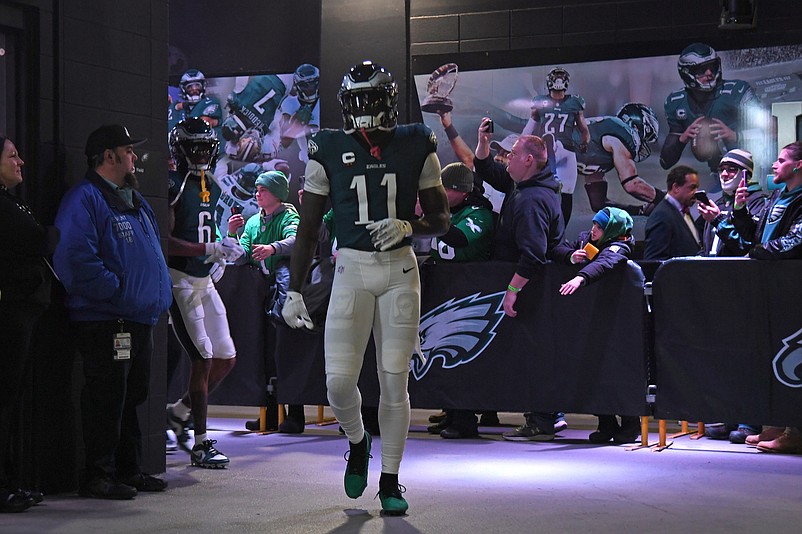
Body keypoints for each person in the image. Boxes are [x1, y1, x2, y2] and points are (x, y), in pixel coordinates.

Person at [281, 60, 450, 516]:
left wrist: (408, 225)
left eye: (371, 100)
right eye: (357, 102)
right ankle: (357, 442)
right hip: (351, 270)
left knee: (393, 382)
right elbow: (309, 227)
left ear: (389, 102)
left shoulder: (417, 142)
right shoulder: (328, 146)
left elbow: (441, 218)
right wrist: (293, 289)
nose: (365, 111)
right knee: (338, 383)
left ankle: (391, 480)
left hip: (399, 271)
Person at [53, 125, 172, 499]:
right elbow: (74, 259)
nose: (134, 157)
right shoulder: (84, 199)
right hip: (106, 321)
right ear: (109, 156)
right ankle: (98, 476)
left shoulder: (133, 200)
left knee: (131, 397)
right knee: (105, 398)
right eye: (128, 150)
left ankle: (128, 470)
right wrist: (117, 293)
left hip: (137, 319)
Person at [473, 120, 565, 441]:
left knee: (531, 354)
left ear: (529, 160)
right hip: (532, 288)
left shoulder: (530, 200)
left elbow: (533, 254)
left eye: (512, 154)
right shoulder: (523, 185)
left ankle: (540, 420)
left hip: (529, 291)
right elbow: (486, 168)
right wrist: (483, 142)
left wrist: (512, 289)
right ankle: (549, 414)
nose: (506, 158)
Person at [165, 117, 245, 469]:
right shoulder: (172, 184)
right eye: (193, 147)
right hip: (180, 279)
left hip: (204, 279)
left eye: (205, 146)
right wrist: (208, 249)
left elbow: (207, 228)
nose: (200, 153)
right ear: (180, 149)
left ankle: (178, 412)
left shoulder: (209, 181)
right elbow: (166, 242)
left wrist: (226, 248)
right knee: (203, 358)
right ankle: (200, 443)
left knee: (226, 358)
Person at [731, 141, 802, 454]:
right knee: (773, 355)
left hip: (793, 287)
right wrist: (739, 210)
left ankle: (795, 429)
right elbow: (756, 236)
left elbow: (795, 240)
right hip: (771, 288)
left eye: (781, 160)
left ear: (798, 165)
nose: (774, 165)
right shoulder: (777, 196)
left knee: (793, 357)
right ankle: (777, 420)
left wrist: (758, 253)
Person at [0, 135, 59, 512]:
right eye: (12, 155)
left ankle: (11, 481)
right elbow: (40, 240)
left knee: (12, 402)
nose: (20, 161)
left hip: (24, 311)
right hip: (11, 314)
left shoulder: (13, 202)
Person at [552, 207, 641, 443]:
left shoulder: (621, 246)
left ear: (612, 230)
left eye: (600, 227)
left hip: (619, 322)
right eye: (594, 224)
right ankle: (606, 424)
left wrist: (580, 277)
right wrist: (572, 256)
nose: (593, 230)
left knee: (619, 372)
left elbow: (604, 262)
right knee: (594, 370)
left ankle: (631, 425)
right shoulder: (586, 240)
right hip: (592, 320)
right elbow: (559, 247)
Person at [696, 149, 767, 443]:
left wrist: (719, 221)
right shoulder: (719, 203)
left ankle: (750, 418)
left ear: (746, 174)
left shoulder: (759, 203)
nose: (724, 173)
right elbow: (710, 249)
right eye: (722, 168)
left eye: (731, 168)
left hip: (744, 292)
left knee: (748, 359)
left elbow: (745, 247)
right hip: (718, 292)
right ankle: (728, 412)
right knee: (723, 358)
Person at [227, 170, 305, 434]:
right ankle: (270, 415)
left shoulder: (289, 215)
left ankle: (295, 414)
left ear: (278, 193)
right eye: (257, 189)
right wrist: (231, 235)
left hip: (284, 296)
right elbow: (242, 255)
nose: (257, 193)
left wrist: (273, 249)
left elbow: (297, 241)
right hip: (260, 295)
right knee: (265, 356)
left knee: (287, 351)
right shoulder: (251, 222)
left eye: (264, 190)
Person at [423, 162, 494, 439]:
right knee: (443, 356)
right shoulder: (453, 211)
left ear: (461, 191)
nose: (440, 192)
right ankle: (451, 411)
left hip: (469, 292)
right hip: (447, 291)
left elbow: (461, 239)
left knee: (462, 356)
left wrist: (432, 217)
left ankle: (465, 419)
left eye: (445, 188)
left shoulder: (480, 213)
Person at [660, 43, 759, 177]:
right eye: (701, 69)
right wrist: (682, 139)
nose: (709, 73)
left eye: (712, 66)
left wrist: (736, 136)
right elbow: (665, 162)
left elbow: (774, 131)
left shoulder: (737, 91)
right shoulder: (676, 102)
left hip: (753, 171)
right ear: (687, 73)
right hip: (719, 176)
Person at [521, 67, 590, 225]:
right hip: (549, 152)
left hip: (565, 151)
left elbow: (583, 129)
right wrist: (523, 141)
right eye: (556, 77)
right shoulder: (541, 101)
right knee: (549, 191)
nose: (558, 80)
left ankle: (560, 231)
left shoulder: (574, 102)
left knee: (566, 192)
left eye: (560, 77)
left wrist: (584, 142)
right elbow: (532, 125)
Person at [579, 103, 665, 216]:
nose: (643, 143)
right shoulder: (622, 132)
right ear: (635, 125)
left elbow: (598, 204)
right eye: (646, 136)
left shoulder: (599, 140)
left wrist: (639, 210)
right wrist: (667, 199)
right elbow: (632, 185)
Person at [221, 75, 287, 162]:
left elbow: (279, 115)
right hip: (266, 74)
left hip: (284, 85)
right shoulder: (237, 103)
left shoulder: (263, 128)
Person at [643, 165, 703, 260]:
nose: (696, 192)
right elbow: (654, 261)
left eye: (697, 188)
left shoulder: (682, 210)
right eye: (692, 188)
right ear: (676, 187)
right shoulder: (662, 215)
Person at [168, 69, 223, 141]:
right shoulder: (177, 108)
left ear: (203, 86)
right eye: (190, 87)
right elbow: (171, 131)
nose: (194, 90)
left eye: (197, 86)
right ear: (184, 89)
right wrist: (177, 107)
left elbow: (201, 123)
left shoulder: (211, 102)